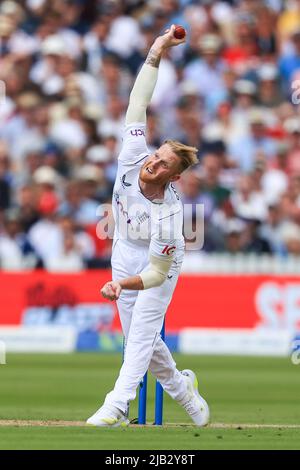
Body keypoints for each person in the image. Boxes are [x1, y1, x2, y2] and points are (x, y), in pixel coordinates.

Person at [87, 25, 210, 427]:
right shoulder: (132, 155)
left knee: (140, 335)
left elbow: (156, 273)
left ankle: (116, 405)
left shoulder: (171, 216)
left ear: (174, 178)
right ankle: (187, 397)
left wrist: (123, 285)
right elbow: (138, 101)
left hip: (158, 269)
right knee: (143, 342)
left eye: (163, 165)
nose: (152, 163)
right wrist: (156, 50)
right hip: (123, 249)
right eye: (156, 155)